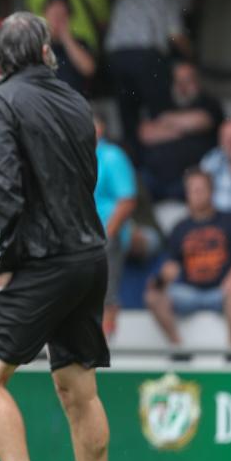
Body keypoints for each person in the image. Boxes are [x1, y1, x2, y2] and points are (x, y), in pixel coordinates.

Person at [0, 13, 124, 461]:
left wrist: (3, 262)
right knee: (78, 386)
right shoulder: (76, 100)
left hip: (40, 258)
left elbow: (3, 188)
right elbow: (88, 176)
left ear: (1, 59)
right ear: (46, 51)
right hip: (89, 255)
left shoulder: (0, 99)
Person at [144, 169, 231, 346]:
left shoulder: (230, 220)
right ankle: (179, 349)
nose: (196, 194)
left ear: (211, 191)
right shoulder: (180, 228)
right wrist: (161, 279)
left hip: (222, 290)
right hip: (189, 293)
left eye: (200, 189)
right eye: (192, 190)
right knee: (152, 296)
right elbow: (171, 265)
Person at [106, 0, 192, 151]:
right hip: (146, 56)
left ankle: (133, 157)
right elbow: (176, 36)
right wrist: (192, 56)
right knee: (160, 112)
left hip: (117, 56)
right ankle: (160, 157)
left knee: (128, 113)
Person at [139, 61, 223, 201]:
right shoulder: (163, 101)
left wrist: (165, 122)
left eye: (187, 80)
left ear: (197, 81)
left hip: (187, 179)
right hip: (154, 176)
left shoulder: (208, 102)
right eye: (178, 80)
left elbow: (201, 120)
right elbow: (146, 134)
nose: (182, 85)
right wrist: (184, 127)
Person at [93, 112, 137, 336]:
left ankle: (105, 341)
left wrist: (106, 235)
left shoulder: (112, 156)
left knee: (106, 289)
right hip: (81, 235)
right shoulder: (73, 155)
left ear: (101, 127)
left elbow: (127, 201)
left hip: (108, 232)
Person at [43, 0, 96, 96]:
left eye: (62, 15)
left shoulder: (79, 43)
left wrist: (66, 37)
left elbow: (88, 69)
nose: (57, 19)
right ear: (45, 14)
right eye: (54, 14)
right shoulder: (38, 42)